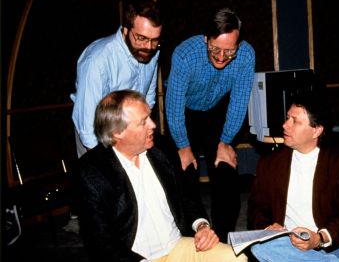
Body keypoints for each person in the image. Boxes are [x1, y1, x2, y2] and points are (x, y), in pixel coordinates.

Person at [71, 89, 247, 262]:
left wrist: (201, 226)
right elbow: (100, 240)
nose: (153, 125)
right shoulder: (92, 172)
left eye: (150, 116)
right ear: (118, 133)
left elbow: (186, 197)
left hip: (176, 247)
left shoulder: (161, 148)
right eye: (143, 122)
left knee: (234, 258)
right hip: (133, 256)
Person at [164, 7, 255, 242]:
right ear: (206, 38)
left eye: (229, 51)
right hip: (185, 113)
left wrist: (226, 142)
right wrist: (183, 146)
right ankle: (194, 234)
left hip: (218, 112)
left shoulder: (246, 55)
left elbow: (239, 101)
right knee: (185, 173)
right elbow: (173, 105)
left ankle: (222, 240)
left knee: (226, 172)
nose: (222, 57)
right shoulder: (184, 54)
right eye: (215, 49)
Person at [247, 94, 339, 262]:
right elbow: (256, 206)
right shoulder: (270, 162)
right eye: (287, 118)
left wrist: (319, 238)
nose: (285, 125)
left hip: (331, 247)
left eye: (295, 121)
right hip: (285, 246)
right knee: (260, 246)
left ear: (316, 130)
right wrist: (268, 227)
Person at [71, 0, 163, 157]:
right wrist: (101, 161)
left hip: (133, 132)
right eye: (141, 38)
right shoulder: (97, 60)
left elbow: (148, 98)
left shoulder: (151, 52)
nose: (149, 47)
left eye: (155, 40)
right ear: (126, 30)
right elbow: (87, 126)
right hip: (99, 136)